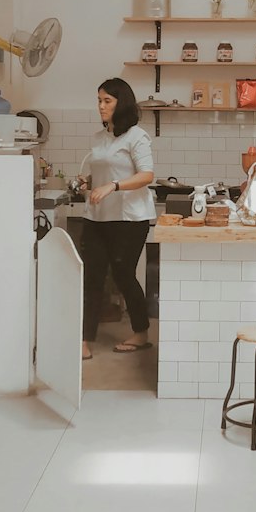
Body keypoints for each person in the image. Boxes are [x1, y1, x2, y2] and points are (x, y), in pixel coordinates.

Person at [78, 78, 156, 360]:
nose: (100, 106)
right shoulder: (99, 138)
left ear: (120, 103)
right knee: (91, 278)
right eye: (99, 100)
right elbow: (103, 172)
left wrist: (112, 186)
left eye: (107, 101)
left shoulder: (137, 136)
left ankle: (140, 332)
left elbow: (146, 175)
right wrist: (89, 182)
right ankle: (85, 340)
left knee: (124, 276)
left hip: (130, 219)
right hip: (97, 217)